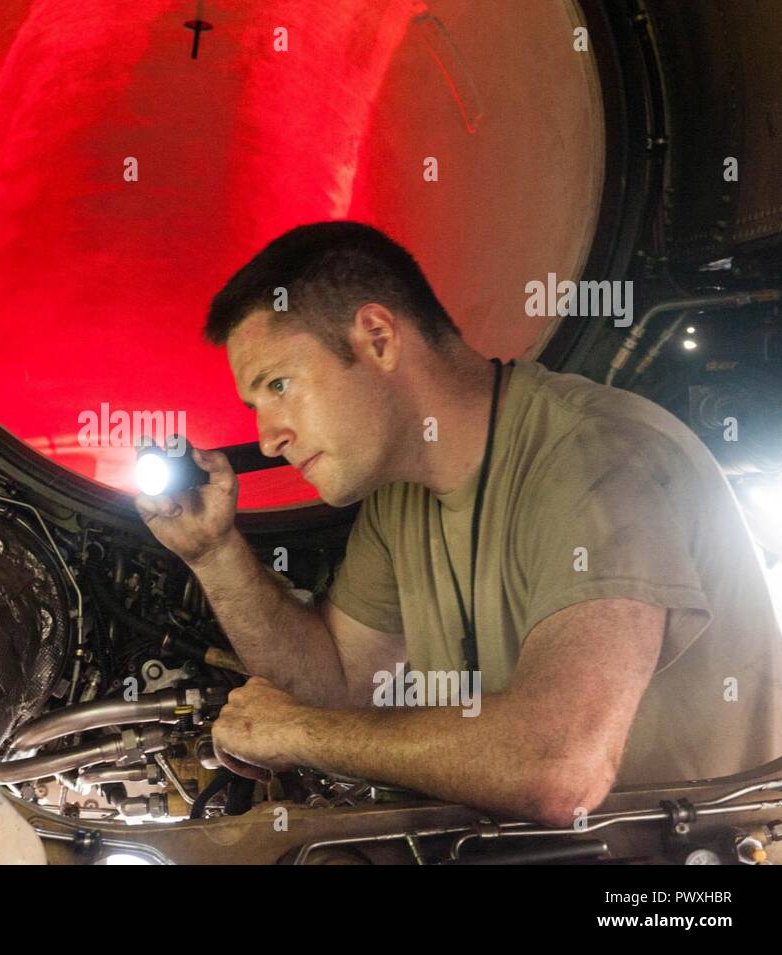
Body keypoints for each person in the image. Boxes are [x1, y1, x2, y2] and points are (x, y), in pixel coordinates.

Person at [135, 221, 781, 825]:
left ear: (379, 339)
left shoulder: (592, 459)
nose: (268, 438)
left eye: (277, 386)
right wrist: (213, 551)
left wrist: (298, 731)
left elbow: (561, 766)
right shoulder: (400, 499)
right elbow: (335, 684)